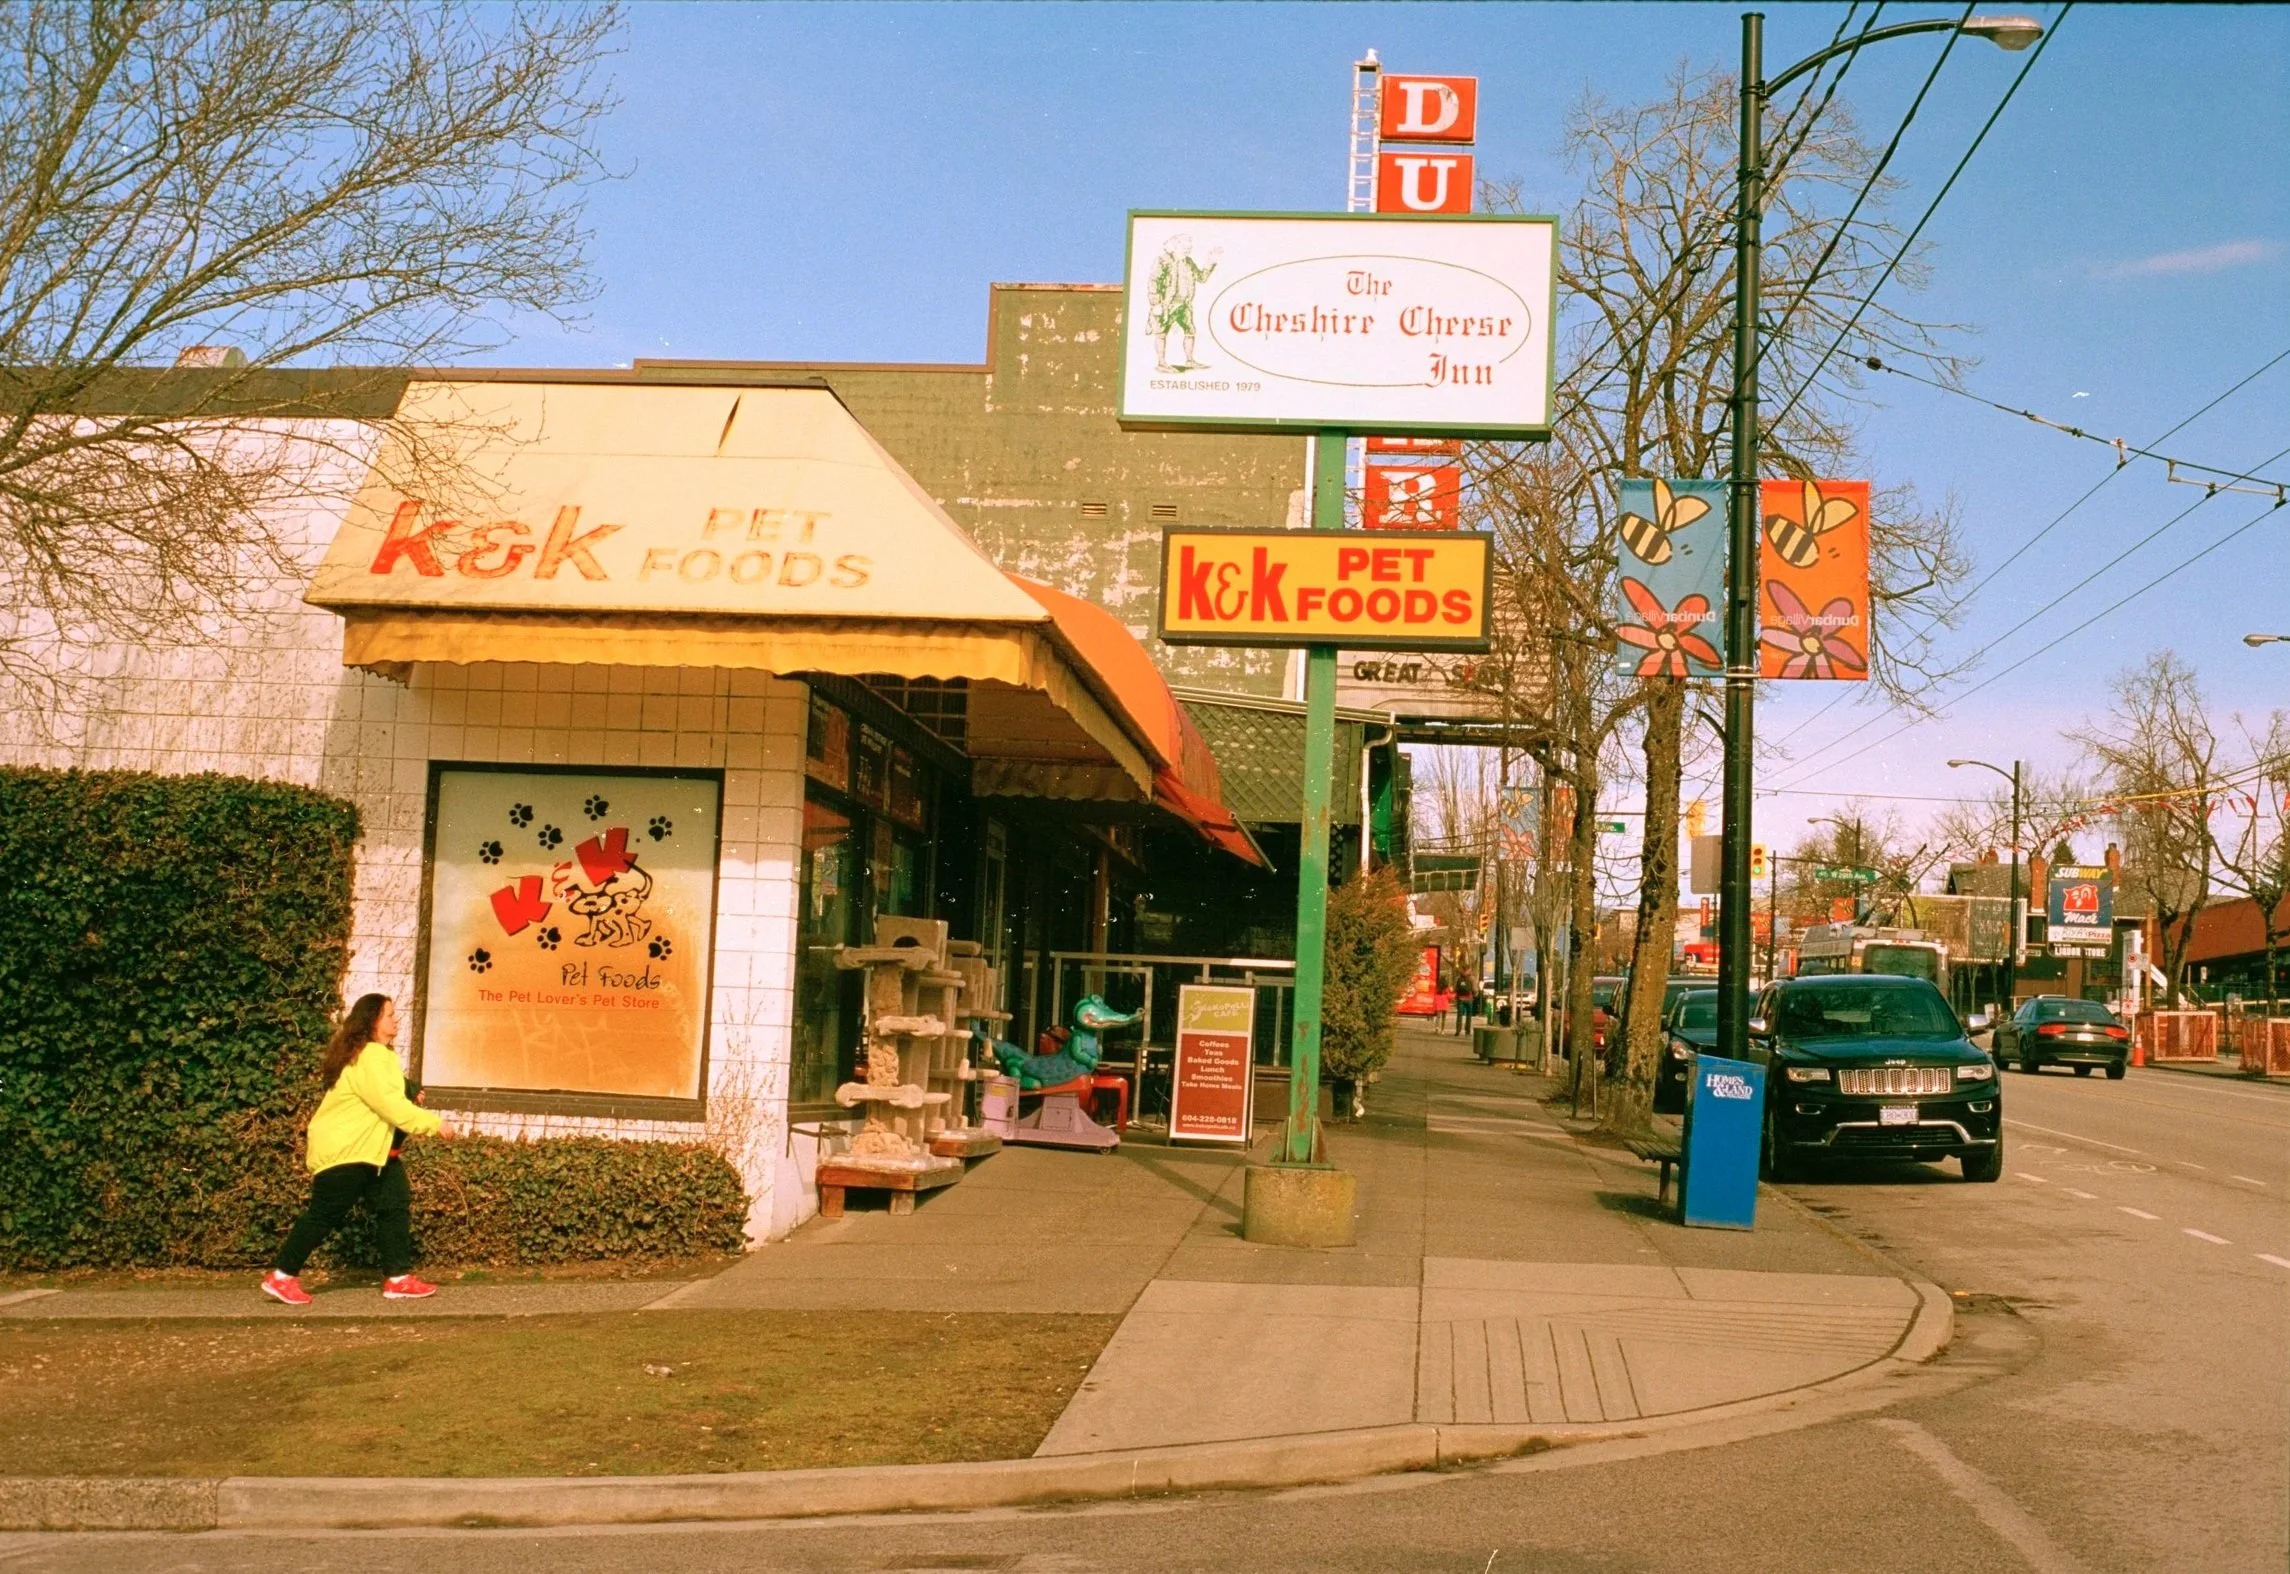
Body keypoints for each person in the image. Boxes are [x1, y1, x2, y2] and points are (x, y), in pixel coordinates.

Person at [261, 993, 447, 1306]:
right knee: (324, 1213)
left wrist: (411, 1092)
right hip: (347, 1150)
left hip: (373, 1154)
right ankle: (281, 1277)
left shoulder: (376, 1056)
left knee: (393, 1203)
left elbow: (393, 1094)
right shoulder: (370, 1056)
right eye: (389, 1015)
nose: (395, 1019)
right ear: (373, 1021)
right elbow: (388, 1104)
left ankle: (398, 1279)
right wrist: (433, 1124)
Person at [1453, 971, 1478, 1037]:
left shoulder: (1458, 978)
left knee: (1459, 1015)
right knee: (1469, 1015)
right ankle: (1467, 1031)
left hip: (1460, 998)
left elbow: (1454, 989)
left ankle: (1458, 1031)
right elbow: (1474, 989)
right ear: (1469, 970)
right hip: (1469, 998)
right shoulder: (1472, 978)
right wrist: (1475, 994)